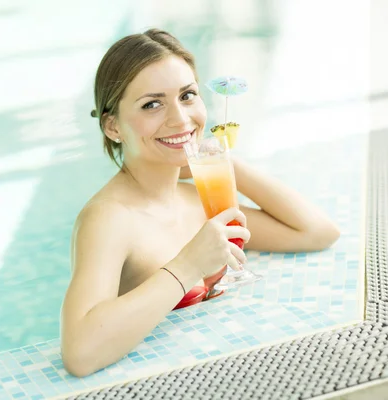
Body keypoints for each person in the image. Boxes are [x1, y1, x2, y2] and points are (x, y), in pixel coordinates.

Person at [60, 28, 340, 377]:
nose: (180, 118)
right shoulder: (109, 219)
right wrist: (188, 265)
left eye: (188, 95)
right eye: (152, 104)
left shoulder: (196, 198)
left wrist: (221, 160)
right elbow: (79, 354)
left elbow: (315, 232)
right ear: (113, 126)